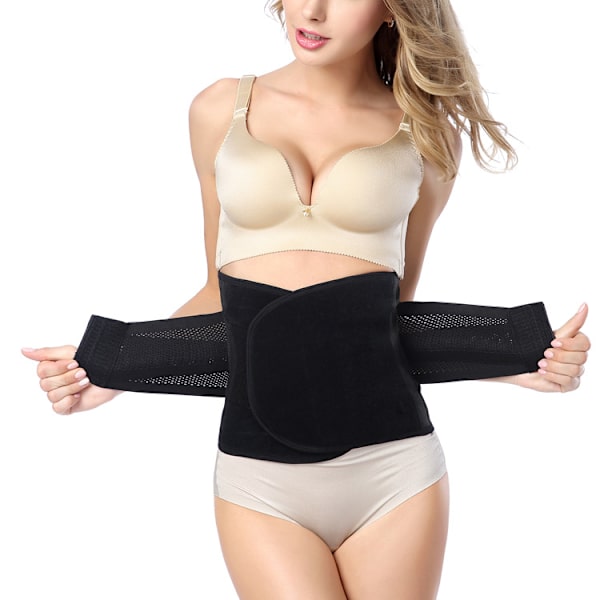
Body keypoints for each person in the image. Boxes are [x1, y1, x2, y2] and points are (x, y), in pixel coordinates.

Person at [22, 0, 590, 598]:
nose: (313, 11)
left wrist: (522, 361)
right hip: (260, 477)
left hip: (395, 469)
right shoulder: (220, 109)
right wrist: (117, 370)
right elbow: (219, 294)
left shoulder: (427, 132)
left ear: (392, 10)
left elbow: (382, 321)